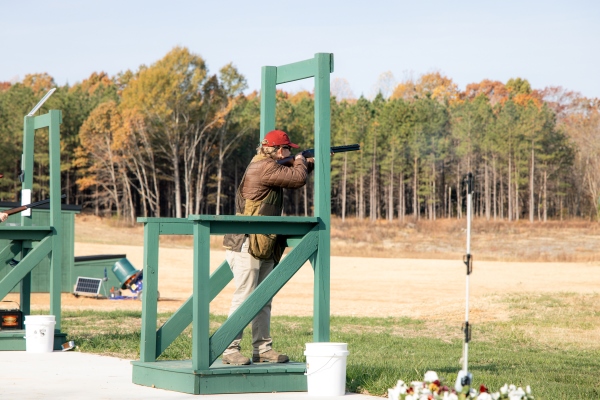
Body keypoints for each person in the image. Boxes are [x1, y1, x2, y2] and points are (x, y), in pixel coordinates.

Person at [222, 129, 314, 365]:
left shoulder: (268, 165)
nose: (291, 152)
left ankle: (262, 349)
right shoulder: (264, 167)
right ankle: (229, 349)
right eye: (288, 149)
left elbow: (291, 175)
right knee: (244, 298)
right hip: (246, 243)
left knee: (263, 298)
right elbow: (297, 178)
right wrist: (303, 161)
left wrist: (308, 163)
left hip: (261, 242)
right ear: (279, 150)